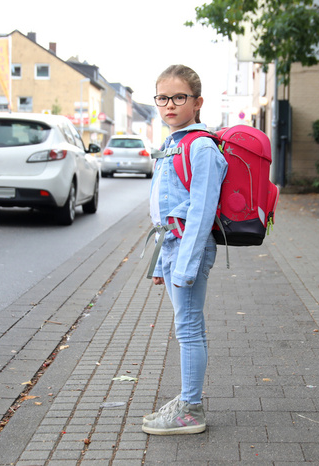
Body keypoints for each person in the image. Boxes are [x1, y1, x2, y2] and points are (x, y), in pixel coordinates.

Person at [142, 65, 228, 435]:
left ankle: (191, 409)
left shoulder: (202, 146)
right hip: (174, 248)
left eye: (179, 97)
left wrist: (184, 266)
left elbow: (201, 212)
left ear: (197, 102)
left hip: (189, 249)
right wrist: (164, 264)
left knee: (189, 329)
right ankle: (187, 400)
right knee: (188, 326)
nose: (170, 105)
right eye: (163, 98)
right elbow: (165, 211)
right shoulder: (173, 142)